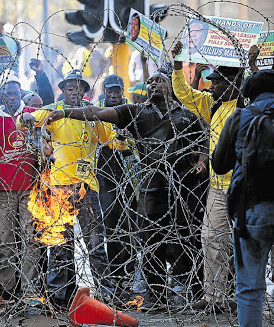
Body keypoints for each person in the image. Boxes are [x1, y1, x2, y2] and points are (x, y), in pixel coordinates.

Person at [43, 67, 208, 310]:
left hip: (183, 188)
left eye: (159, 81)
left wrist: (202, 161)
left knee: (187, 239)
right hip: (151, 187)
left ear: (170, 86)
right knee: (152, 243)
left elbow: (204, 140)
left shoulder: (186, 116)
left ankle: (195, 292)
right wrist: (65, 112)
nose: (152, 84)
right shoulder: (136, 112)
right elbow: (96, 111)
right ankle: (157, 297)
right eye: (149, 81)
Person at [20, 69, 115, 307]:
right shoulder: (53, 112)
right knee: (60, 244)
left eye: (78, 88)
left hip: (87, 187)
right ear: (63, 91)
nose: (75, 92)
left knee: (95, 243)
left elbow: (112, 139)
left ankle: (106, 293)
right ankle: (58, 296)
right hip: (59, 188)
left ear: (84, 91)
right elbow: (27, 119)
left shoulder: (93, 115)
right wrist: (26, 118)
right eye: (70, 88)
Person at [171, 41, 243, 312]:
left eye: (218, 82)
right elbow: (183, 94)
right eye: (212, 82)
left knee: (245, 242)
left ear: (234, 82)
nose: (213, 86)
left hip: (243, 186)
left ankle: (245, 295)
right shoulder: (212, 105)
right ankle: (214, 297)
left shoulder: (245, 105)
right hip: (216, 186)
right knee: (211, 239)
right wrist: (178, 64)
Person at [212, 69, 274, 327]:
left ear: (248, 94)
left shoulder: (240, 117)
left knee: (250, 286)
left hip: (252, 210)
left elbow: (219, 165)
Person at [0, 72, 43, 306]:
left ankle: (29, 290)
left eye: (16, 93)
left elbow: (44, 145)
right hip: (3, 190)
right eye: (8, 93)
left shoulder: (32, 116)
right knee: (5, 241)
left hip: (30, 188)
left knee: (30, 240)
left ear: (21, 93)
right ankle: (7, 289)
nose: (12, 97)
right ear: (1, 95)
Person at [95, 74, 140, 296]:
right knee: (111, 226)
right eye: (110, 90)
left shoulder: (132, 110)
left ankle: (128, 273)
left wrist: (127, 137)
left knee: (130, 227)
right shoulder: (97, 111)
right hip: (106, 178)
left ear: (123, 90)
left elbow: (140, 141)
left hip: (130, 177)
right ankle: (114, 273)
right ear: (104, 90)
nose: (113, 94)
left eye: (117, 90)